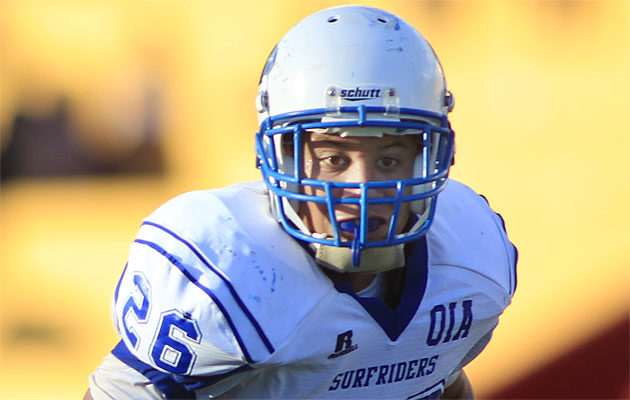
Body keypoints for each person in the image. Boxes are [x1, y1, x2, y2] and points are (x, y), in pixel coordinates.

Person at [85, 5, 517, 399]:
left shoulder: (470, 267)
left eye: (388, 159)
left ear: (426, 159)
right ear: (282, 158)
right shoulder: (233, 272)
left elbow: (441, 380)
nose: (361, 186)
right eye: (333, 158)